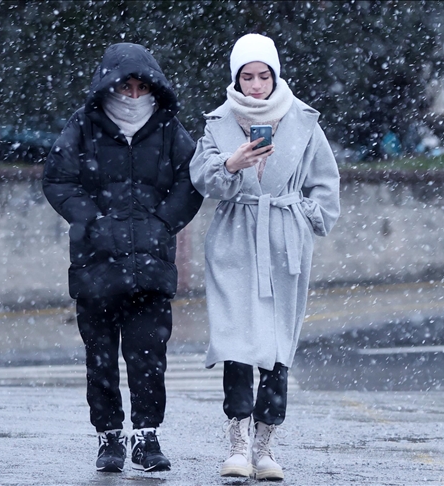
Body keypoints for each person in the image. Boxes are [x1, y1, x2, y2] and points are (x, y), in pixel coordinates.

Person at [42, 43, 203, 473]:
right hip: (96, 265)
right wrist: (93, 221)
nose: (133, 96)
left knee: (149, 355)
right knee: (101, 357)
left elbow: (194, 178)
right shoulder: (84, 126)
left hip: (150, 266)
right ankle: (109, 438)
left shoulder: (168, 128)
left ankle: (147, 438)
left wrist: (162, 222)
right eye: (124, 87)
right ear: (108, 86)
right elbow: (57, 179)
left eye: (140, 87)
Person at [189, 33, 341, 481]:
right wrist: (232, 165)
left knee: (277, 346)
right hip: (234, 236)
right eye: (246, 76)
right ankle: (236, 443)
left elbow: (325, 182)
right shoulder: (217, 123)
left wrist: (305, 213)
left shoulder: (305, 122)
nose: (255, 85)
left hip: (285, 240)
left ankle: (265, 447)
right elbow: (202, 180)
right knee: (236, 341)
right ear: (235, 78)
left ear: (275, 75)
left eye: (263, 75)